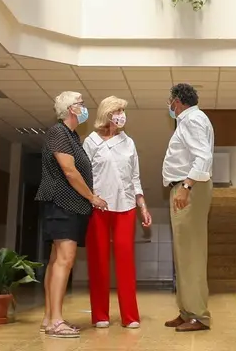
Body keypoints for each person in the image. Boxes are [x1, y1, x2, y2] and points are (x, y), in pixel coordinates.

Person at [36, 91, 108, 339]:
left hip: (69, 206)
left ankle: (49, 318)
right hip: (62, 204)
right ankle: (56, 321)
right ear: (70, 109)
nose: (84, 107)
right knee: (64, 260)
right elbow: (69, 171)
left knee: (57, 260)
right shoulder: (58, 132)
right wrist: (92, 197)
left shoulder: (72, 136)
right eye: (80, 104)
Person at [83, 96, 152, 329]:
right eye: (117, 110)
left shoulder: (128, 142)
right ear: (107, 113)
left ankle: (130, 316)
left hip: (126, 207)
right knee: (99, 261)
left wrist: (142, 205)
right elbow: (84, 176)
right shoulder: (91, 142)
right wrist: (92, 196)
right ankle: (100, 315)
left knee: (125, 261)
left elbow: (135, 178)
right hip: (98, 207)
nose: (121, 114)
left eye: (123, 110)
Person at [161, 83, 215, 333]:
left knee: (191, 253)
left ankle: (198, 316)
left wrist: (186, 186)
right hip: (185, 187)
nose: (169, 105)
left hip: (189, 188)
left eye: (170, 100)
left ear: (178, 101)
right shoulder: (189, 120)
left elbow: (203, 157)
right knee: (184, 254)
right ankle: (186, 311)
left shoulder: (192, 120)